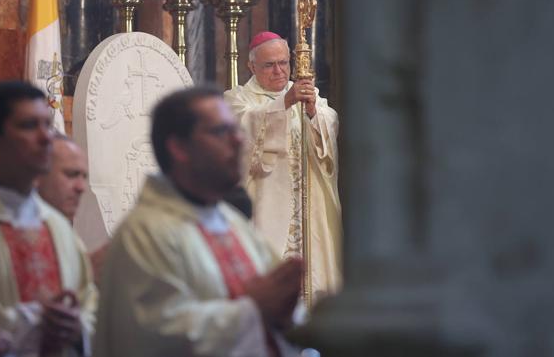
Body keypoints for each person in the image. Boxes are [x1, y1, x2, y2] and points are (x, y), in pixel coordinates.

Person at [94, 86, 303, 357]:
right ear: (179, 148)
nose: (238, 141)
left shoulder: (233, 224)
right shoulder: (144, 233)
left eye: (235, 130)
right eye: (220, 132)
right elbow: (154, 336)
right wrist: (251, 310)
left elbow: (280, 310)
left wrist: (288, 314)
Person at [0, 81, 96, 357]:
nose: (46, 137)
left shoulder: (57, 226)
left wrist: (77, 327)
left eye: (47, 125)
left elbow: (89, 305)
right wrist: (28, 323)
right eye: (29, 126)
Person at [224, 31, 342, 299]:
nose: (279, 71)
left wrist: (313, 112)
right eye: (269, 65)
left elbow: (330, 123)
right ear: (251, 66)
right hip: (266, 211)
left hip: (309, 211)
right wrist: (283, 105)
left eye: (283, 63)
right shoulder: (237, 98)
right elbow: (242, 130)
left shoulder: (306, 94)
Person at [37, 133, 108, 284]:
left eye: (84, 177)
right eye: (71, 175)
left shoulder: (60, 228)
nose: (81, 187)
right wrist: (89, 272)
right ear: (38, 174)